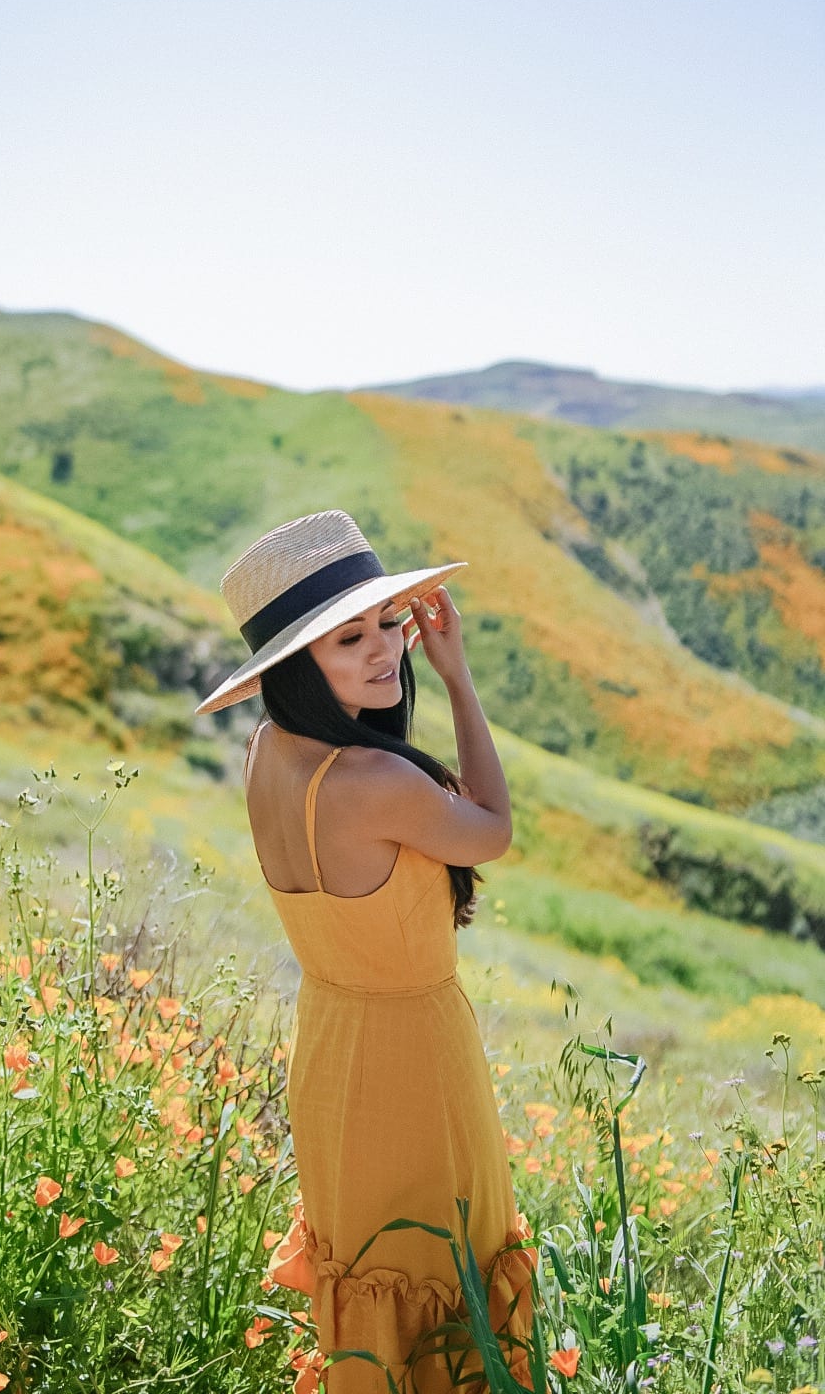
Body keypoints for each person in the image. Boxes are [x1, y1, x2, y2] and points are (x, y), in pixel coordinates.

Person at [197, 510, 535, 1394]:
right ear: (296, 664)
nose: (385, 651)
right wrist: (460, 681)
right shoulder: (373, 781)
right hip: (414, 1059)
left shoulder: (270, 751)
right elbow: (492, 833)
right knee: (446, 1281)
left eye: (390, 623)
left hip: (330, 1046)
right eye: (349, 639)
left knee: (370, 1280)